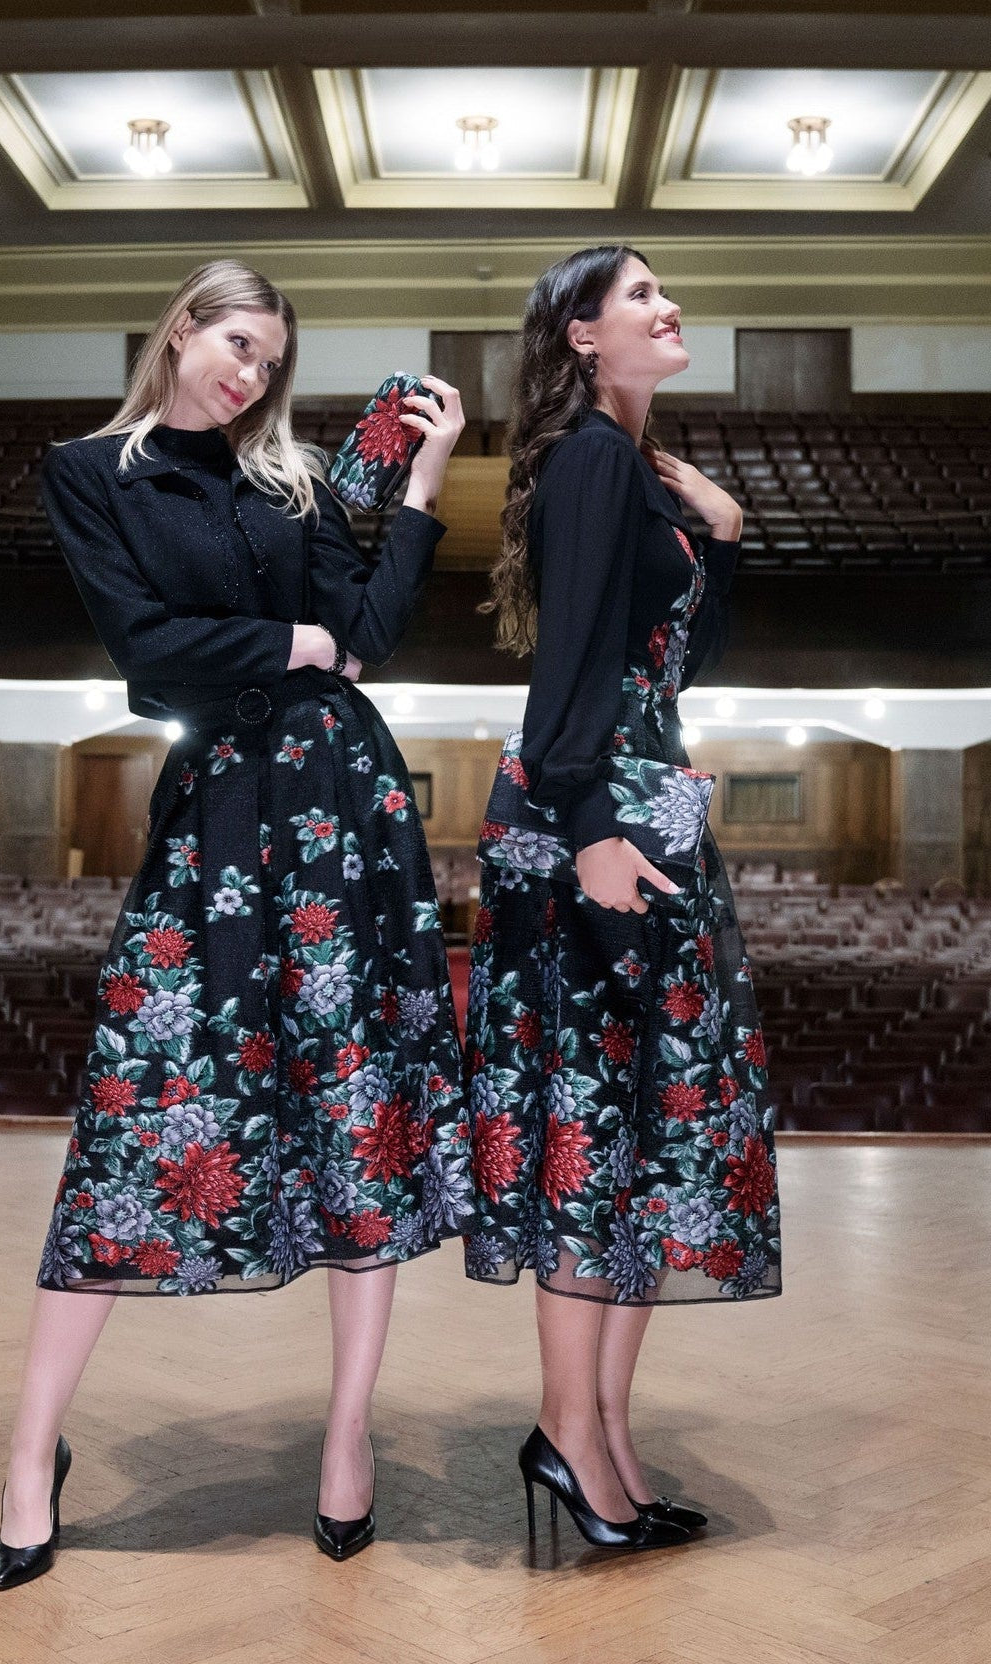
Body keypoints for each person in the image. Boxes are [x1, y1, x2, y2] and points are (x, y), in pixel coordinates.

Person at [0, 258, 473, 1588]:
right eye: (237, 345)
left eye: (270, 362)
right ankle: (33, 1450)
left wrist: (419, 493)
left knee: (359, 1111)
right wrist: (298, 645)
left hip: (348, 812)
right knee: (143, 1109)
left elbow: (372, 629)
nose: (250, 377)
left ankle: (348, 1435)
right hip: (218, 811)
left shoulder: (301, 479)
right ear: (185, 328)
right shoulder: (90, 471)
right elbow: (148, 654)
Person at [464, 244, 782, 1552]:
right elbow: (571, 668)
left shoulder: (639, 472)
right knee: (594, 1131)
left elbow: (670, 660)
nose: (669, 305)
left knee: (640, 1138)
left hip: (650, 800)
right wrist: (591, 826)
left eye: (668, 288)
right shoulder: (590, 461)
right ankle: (569, 1432)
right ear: (583, 336)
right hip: (594, 813)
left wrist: (722, 531)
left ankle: (605, 1431)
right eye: (640, 293)